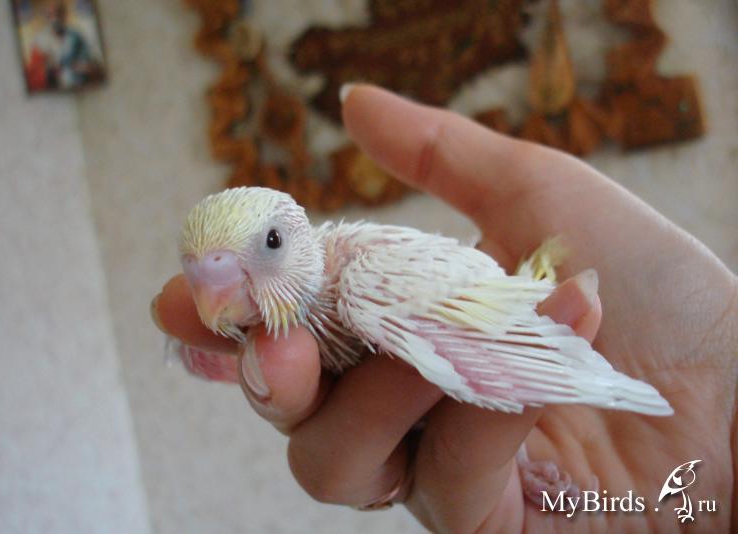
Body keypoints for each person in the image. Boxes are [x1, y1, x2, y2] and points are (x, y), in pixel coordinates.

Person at [151, 85, 736, 532]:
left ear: (296, 237)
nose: (221, 296)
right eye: (203, 277)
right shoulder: (256, 330)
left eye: (271, 245)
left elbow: (488, 357)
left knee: (455, 370)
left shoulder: (364, 282)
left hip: (506, 312)